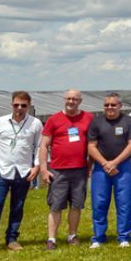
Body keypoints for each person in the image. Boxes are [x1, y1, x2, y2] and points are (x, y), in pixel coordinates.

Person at [0, 91, 43, 257]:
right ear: (11, 104)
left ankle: (12, 239)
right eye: (16, 105)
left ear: (29, 106)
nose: (19, 108)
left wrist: (37, 166)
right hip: (1, 172)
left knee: (17, 207)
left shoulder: (35, 124)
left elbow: (40, 147)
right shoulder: (0, 122)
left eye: (23, 105)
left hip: (23, 172)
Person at [38, 88, 94, 250]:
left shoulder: (88, 118)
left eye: (75, 99)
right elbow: (43, 145)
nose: (71, 102)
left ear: (80, 101)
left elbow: (92, 144)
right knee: (56, 205)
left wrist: (90, 166)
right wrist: (44, 169)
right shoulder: (54, 119)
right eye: (69, 98)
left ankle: (72, 235)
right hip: (58, 170)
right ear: (64, 99)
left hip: (80, 170)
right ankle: (51, 239)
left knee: (76, 205)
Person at [86, 93, 131, 249]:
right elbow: (91, 146)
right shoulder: (96, 122)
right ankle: (99, 237)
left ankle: (124, 236)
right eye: (107, 104)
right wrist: (105, 163)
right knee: (99, 203)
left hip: (123, 167)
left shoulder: (129, 121)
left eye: (113, 105)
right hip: (101, 169)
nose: (109, 108)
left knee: (124, 203)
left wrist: (115, 163)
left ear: (120, 106)